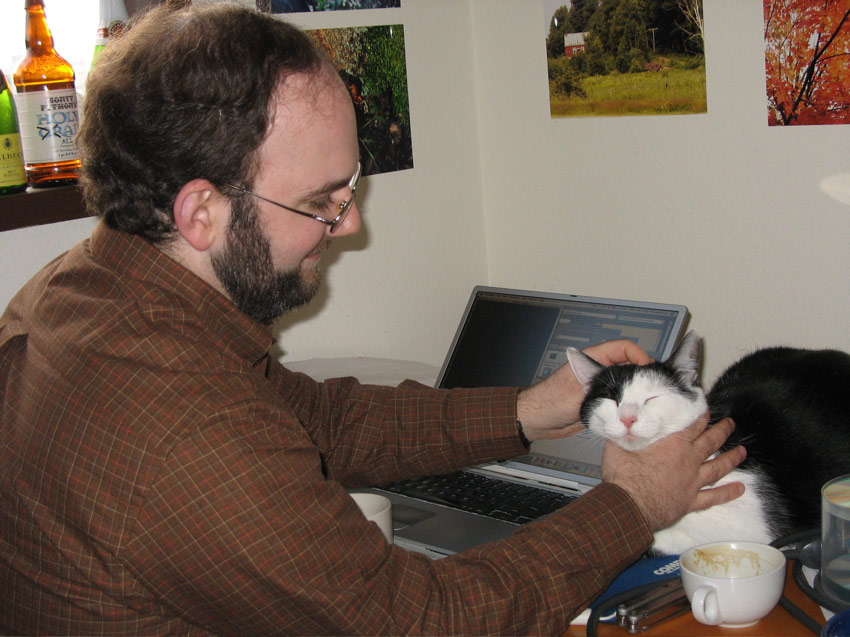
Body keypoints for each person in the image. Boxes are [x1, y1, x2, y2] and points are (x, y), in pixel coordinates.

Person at [0, 4, 745, 635]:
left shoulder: (88, 289)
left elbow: (319, 421)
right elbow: (421, 619)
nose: (350, 223)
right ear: (201, 211)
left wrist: (523, 411)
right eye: (322, 199)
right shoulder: (183, 429)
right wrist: (632, 506)